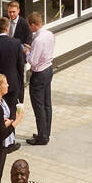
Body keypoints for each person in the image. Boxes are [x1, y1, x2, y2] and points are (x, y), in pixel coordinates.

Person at [0, 16, 26, 113]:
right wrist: (20, 81)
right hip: (13, 83)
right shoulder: (16, 43)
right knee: (12, 112)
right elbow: (21, 65)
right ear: (7, 28)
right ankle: (11, 128)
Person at [25, 11, 55, 145]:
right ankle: (46, 132)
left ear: (33, 25)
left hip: (39, 74)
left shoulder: (37, 39)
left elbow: (33, 61)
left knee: (39, 106)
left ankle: (42, 137)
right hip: (48, 69)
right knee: (47, 104)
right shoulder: (49, 34)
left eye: (29, 26)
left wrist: (27, 52)